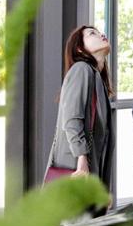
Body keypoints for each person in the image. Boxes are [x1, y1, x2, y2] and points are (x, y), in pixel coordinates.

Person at [46, 26, 115, 198]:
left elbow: (104, 143)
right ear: (79, 48)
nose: (102, 35)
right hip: (76, 171)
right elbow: (71, 120)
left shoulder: (96, 79)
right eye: (93, 33)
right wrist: (82, 159)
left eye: (100, 32)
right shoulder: (81, 69)